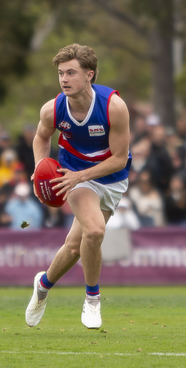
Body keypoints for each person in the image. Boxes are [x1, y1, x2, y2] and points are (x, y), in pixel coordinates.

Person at [25, 43, 131, 329]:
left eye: (71, 72)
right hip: (71, 175)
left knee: (74, 248)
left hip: (111, 178)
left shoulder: (114, 107)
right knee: (95, 231)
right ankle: (92, 299)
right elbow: (41, 137)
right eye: (61, 73)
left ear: (89, 75)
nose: (64, 79)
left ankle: (43, 286)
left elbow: (119, 159)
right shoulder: (53, 109)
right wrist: (40, 167)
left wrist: (81, 176)